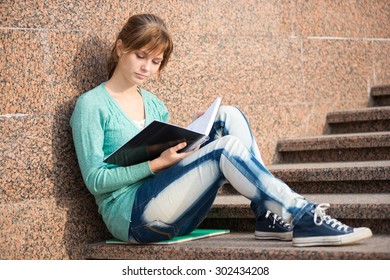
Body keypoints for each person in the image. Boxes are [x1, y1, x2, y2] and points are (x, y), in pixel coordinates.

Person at [70, 13, 372, 247]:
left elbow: (170, 171)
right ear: (121, 47)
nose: (146, 68)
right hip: (134, 219)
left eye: (155, 61)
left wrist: (193, 137)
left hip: (174, 208)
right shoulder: (92, 105)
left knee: (226, 116)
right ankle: (302, 215)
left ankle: (266, 214)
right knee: (224, 148)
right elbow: (95, 180)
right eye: (140, 55)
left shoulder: (155, 105)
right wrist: (154, 164)